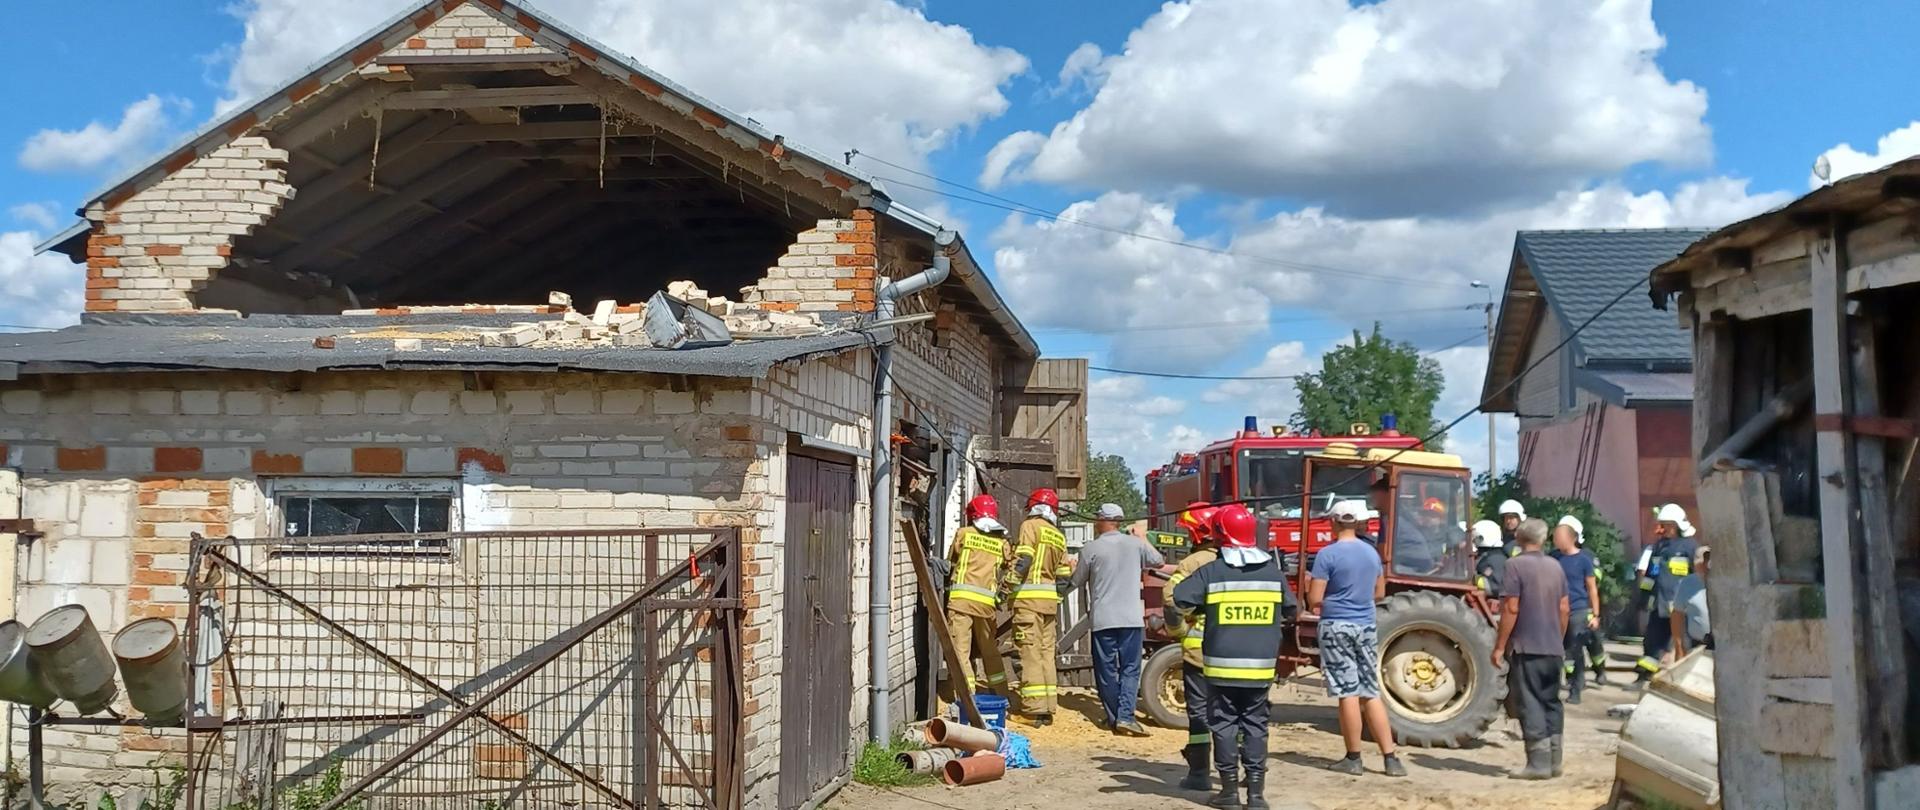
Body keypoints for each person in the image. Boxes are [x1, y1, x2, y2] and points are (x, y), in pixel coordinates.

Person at [1170, 504, 1294, 809]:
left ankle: (1228, 793)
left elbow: (1180, 598)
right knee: (1255, 726)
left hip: (1222, 669)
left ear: (1220, 535)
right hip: (1260, 670)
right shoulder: (1271, 572)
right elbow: (1292, 610)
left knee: (1223, 725)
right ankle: (1256, 795)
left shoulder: (1213, 570)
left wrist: (1205, 606)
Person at [1309, 500, 1407, 779]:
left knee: (1347, 691)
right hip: (1365, 625)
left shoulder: (1327, 555)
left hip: (1337, 625)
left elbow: (1315, 598)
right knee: (1369, 691)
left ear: (1334, 522)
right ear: (1359, 522)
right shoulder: (1371, 554)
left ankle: (1353, 757)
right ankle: (1391, 758)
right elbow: (1379, 593)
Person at [1071, 503, 1163, 737]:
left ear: (1104, 521)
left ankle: (1116, 718)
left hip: (1104, 619)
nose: (1094, 522)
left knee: (1106, 671)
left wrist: (1072, 566)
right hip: (1131, 619)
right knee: (1130, 669)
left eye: (1096, 518)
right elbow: (1159, 561)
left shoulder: (1091, 548)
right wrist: (1142, 537)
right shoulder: (1136, 545)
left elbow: (1077, 581)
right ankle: (1126, 717)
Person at [1493, 518, 1569, 780]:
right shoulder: (1555, 566)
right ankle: (1555, 761)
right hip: (1553, 648)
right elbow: (1564, 608)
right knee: (1551, 701)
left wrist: (1500, 646)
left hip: (1527, 646)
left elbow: (1511, 608)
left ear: (1519, 538)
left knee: (1531, 702)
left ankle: (1538, 764)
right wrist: (1557, 638)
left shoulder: (1514, 565)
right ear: (1543, 539)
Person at [1161, 501, 1221, 791]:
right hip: (1234, 652)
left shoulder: (1191, 564)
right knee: (1236, 711)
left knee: (1199, 712)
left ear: (1199, 533)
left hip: (1199, 652)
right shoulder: (1238, 561)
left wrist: (1179, 632)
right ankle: (1245, 770)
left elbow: (1172, 603)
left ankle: (1199, 773)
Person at [1006, 488, 1071, 726]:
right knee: (1045, 655)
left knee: (1028, 653)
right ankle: (1047, 708)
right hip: (1048, 606)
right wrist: (1055, 599)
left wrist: (1006, 587)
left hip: (1028, 602)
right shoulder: (1058, 535)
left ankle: (1031, 710)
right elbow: (1064, 577)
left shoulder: (1030, 526)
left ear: (1033, 507)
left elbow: (1024, 560)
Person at [946, 494, 1013, 695]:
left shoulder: (964, 534)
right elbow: (1012, 569)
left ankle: (967, 697)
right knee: (990, 651)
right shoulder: (1002, 543)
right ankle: (1000, 691)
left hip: (961, 603)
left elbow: (952, 560)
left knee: (961, 651)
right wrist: (1003, 592)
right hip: (986, 605)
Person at [1637, 503, 1699, 682]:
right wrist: (1644, 598)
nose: (1660, 529)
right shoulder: (1659, 547)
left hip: (1680, 606)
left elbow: (1696, 576)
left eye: (1663, 525)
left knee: (1683, 643)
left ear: (1673, 525)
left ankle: (1683, 679)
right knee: (1652, 640)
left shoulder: (1690, 547)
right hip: (1659, 603)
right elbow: (1650, 575)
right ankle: (1645, 676)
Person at [1551, 516, 1602, 703]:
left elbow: (1592, 588)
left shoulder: (1584, 560)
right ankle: (1559, 684)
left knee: (1575, 651)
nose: (1557, 539)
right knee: (1561, 652)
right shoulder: (1553, 557)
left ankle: (1575, 689)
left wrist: (1595, 615)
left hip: (1578, 611)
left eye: (1560, 536)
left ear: (1572, 538)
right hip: (1556, 611)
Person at [1670, 546, 1712, 657]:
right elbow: (1677, 615)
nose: (1705, 566)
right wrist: (1679, 647)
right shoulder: (1687, 583)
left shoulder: (1724, 580)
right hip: (1698, 648)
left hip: (1724, 646)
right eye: (1701, 563)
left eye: (1707, 561)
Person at [1471, 520, 1508, 598]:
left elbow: (1495, 587)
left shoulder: (1494, 559)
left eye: (1476, 538)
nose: (1473, 540)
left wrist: (1474, 579)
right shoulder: (1493, 555)